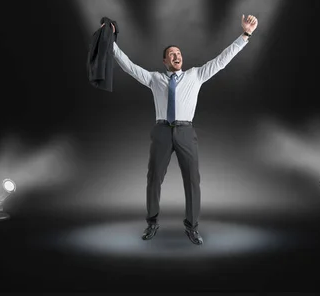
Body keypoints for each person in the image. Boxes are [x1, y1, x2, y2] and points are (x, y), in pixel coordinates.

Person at [105, 14, 258, 245]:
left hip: (186, 132)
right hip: (162, 131)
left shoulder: (195, 75)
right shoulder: (155, 78)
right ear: (165, 61)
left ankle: (192, 227)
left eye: (179, 53)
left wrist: (245, 35)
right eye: (172, 54)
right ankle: (152, 224)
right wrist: (112, 43)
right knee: (154, 179)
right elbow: (129, 67)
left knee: (192, 181)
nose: (177, 56)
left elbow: (222, 60)